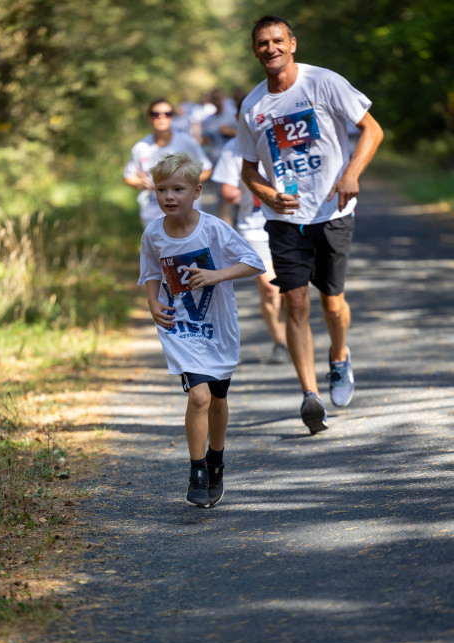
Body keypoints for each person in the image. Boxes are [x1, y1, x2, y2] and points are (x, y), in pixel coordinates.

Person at [238, 15, 384, 434]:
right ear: (255, 51)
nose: (271, 48)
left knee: (331, 302)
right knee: (294, 302)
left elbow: (372, 131)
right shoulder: (253, 107)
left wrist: (351, 174)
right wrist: (266, 194)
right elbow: (249, 171)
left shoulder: (323, 83)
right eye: (262, 43)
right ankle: (310, 394)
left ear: (293, 44)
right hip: (284, 219)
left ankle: (339, 357)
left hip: (332, 211)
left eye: (278, 40)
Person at [138, 153, 265, 507]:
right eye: (162, 189)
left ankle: (216, 460)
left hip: (217, 324)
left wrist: (217, 274)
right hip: (179, 325)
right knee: (199, 396)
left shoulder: (213, 228)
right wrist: (152, 302)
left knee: (218, 398)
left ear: (196, 191)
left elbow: (253, 263)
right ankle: (196, 470)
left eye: (178, 189)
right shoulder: (154, 233)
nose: (169, 197)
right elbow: (150, 273)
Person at [212, 134, 289, 364]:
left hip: (292, 223)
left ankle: (293, 330)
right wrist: (234, 192)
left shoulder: (285, 133)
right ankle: (280, 343)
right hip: (253, 227)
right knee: (269, 287)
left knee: (290, 289)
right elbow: (226, 191)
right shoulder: (233, 148)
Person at [124, 99, 213, 228]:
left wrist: (186, 184)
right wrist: (140, 182)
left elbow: (207, 169)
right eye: (156, 114)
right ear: (150, 117)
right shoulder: (141, 147)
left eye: (167, 114)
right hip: (152, 214)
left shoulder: (186, 142)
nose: (161, 118)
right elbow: (128, 176)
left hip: (186, 214)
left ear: (172, 117)